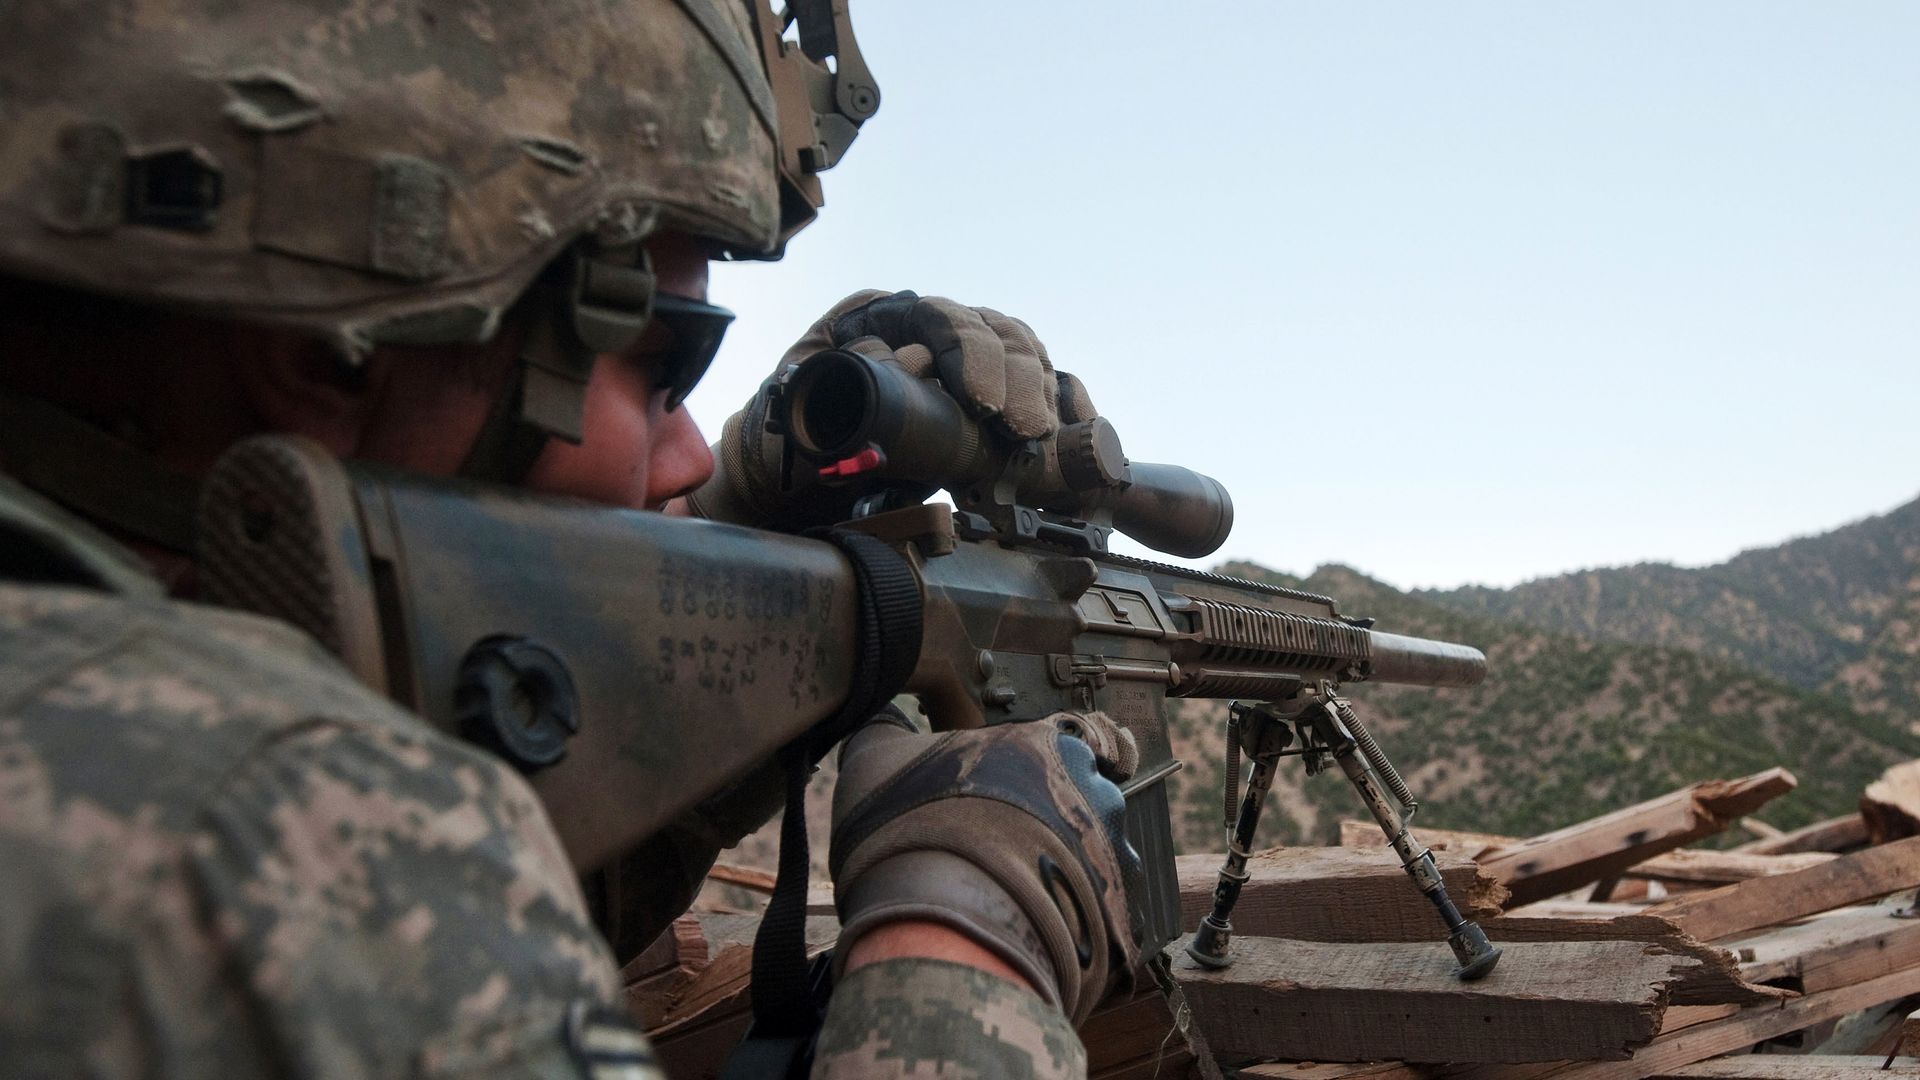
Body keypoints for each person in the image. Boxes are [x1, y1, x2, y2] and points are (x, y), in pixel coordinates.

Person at [0, 1, 1141, 1077]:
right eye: (665, 364)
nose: (695, 456)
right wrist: (968, 935)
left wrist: (752, 549)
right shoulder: (266, 826)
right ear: (338, 351)